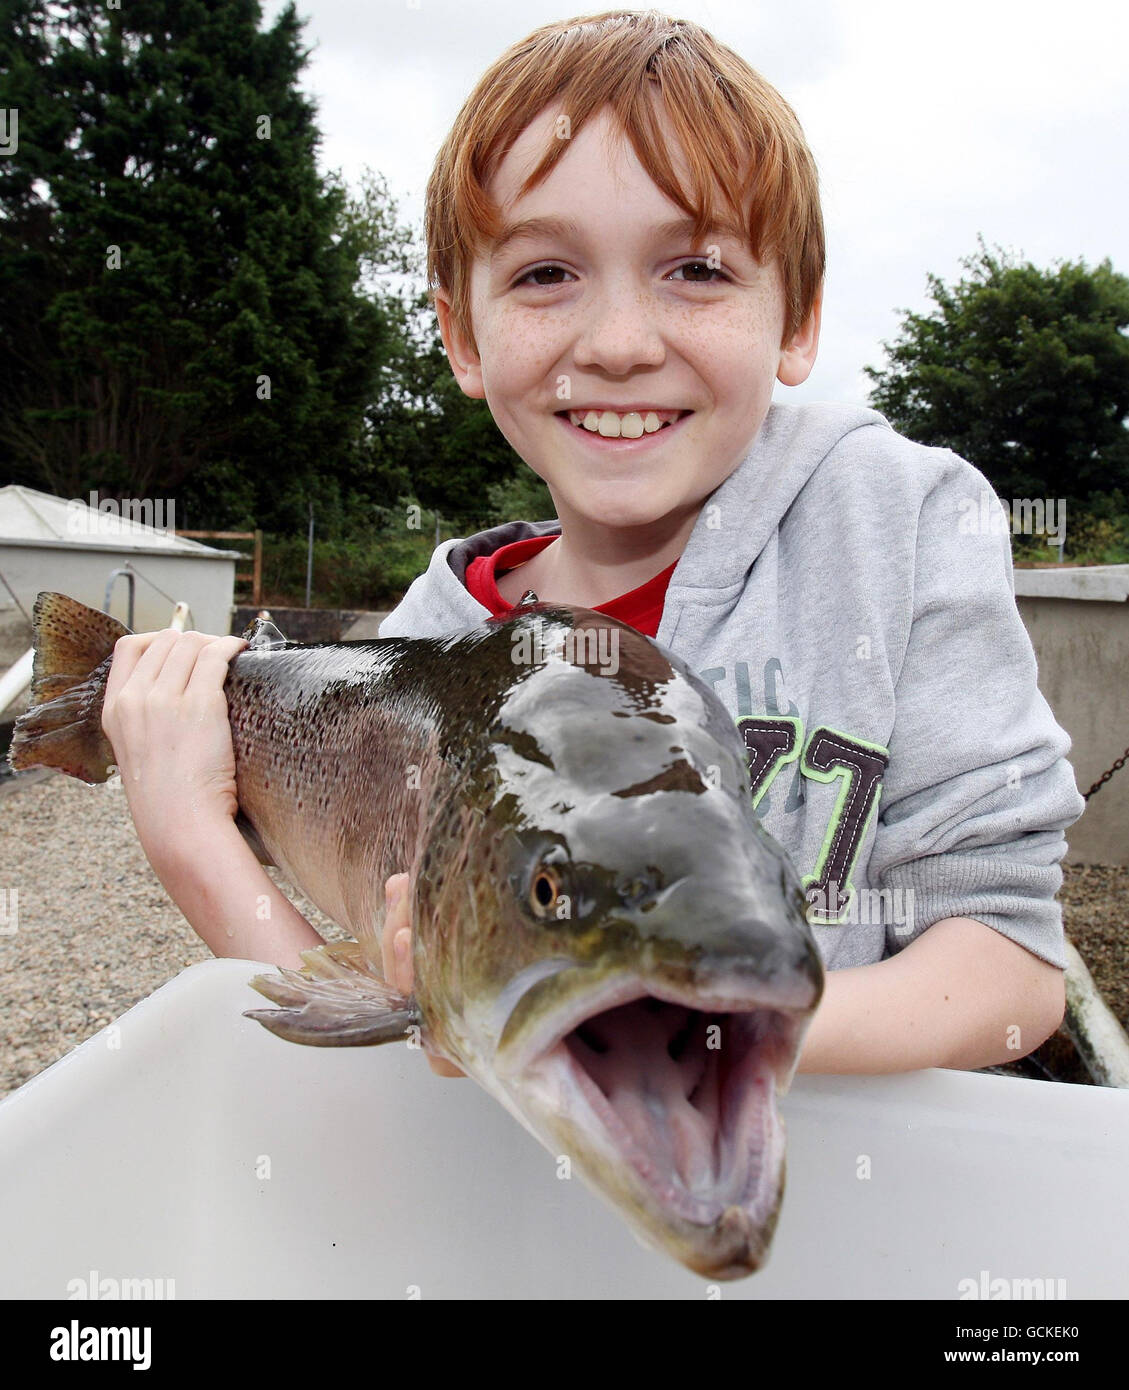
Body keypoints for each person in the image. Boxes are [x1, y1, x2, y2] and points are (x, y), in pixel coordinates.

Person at [101, 10, 1084, 1081]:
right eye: (544, 274)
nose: (619, 344)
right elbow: (383, 1073)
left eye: (697, 269)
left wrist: (714, 1024)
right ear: (463, 338)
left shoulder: (898, 526)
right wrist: (190, 835)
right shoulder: (428, 648)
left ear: (796, 319)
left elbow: (1013, 963)